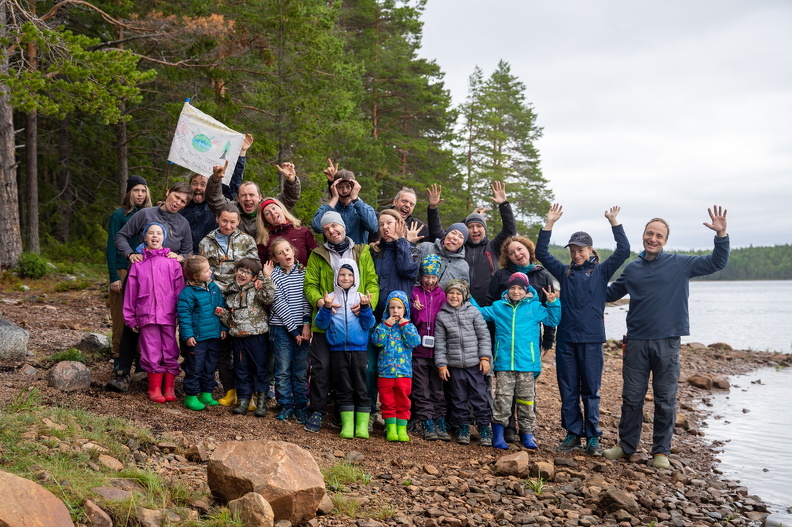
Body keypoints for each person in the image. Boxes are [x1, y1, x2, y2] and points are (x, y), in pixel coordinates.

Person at [603, 206, 729, 469]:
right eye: (650, 233)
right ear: (643, 235)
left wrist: (721, 236)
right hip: (636, 342)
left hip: (668, 342)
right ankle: (626, 447)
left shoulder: (680, 264)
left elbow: (717, 263)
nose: (653, 239)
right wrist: (579, 284)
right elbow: (610, 293)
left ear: (665, 240)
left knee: (665, 399)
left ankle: (661, 452)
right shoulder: (633, 268)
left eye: (659, 236)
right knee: (632, 397)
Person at [535, 204, 630, 456]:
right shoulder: (564, 273)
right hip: (566, 339)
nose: (577, 254)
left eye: (581, 250)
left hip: (591, 339)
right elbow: (541, 252)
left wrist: (614, 222)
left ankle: (592, 436)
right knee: (567, 388)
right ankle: (572, 434)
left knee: (590, 389)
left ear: (590, 250)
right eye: (574, 250)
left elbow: (624, 251)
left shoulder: (601, 271)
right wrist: (549, 223)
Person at [303, 211, 379, 433]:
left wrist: (366, 304)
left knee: (351, 371)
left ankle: (342, 412)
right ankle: (317, 411)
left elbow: (372, 281)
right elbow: (310, 285)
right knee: (321, 368)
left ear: (344, 228)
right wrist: (319, 302)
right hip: (326, 321)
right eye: (326, 229)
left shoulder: (361, 251)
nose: (332, 231)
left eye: (335, 226)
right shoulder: (317, 255)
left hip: (355, 321)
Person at [486, 235, 557, 444]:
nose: (517, 254)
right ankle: (507, 430)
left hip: (528, 350)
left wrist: (548, 340)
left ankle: (527, 433)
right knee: (504, 395)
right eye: (511, 252)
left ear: (528, 249)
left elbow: (548, 312)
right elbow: (491, 306)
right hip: (504, 345)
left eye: (520, 249)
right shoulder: (501, 276)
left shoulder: (543, 275)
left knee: (526, 394)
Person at [122, 223, 185, 404]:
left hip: (168, 314)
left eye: (159, 233)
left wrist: (180, 314)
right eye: (151, 233)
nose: (155, 236)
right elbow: (130, 293)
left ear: (164, 238)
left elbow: (180, 291)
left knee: (170, 349)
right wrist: (130, 317)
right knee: (151, 349)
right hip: (146, 314)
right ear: (145, 237)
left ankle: (169, 387)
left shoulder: (172, 263)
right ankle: (154, 387)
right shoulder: (138, 264)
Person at [367, 209, 420, 422]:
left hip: (401, 322)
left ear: (399, 224)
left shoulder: (411, 250)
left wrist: (401, 242)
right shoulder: (374, 251)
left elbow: (408, 269)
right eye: (381, 224)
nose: (385, 228)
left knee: (400, 374)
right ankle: (370, 412)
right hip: (377, 319)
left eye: (389, 223)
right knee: (370, 369)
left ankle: (399, 418)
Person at [314, 259, 376, 439]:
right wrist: (326, 308)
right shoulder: (331, 298)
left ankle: (362, 425)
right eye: (342, 274)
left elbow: (369, 324)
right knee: (343, 386)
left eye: (349, 274)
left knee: (360, 385)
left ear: (355, 276)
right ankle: (347, 424)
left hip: (359, 350)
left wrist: (365, 308)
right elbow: (321, 323)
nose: (346, 278)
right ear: (336, 276)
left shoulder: (360, 297)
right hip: (337, 350)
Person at [427, 182, 516, 305]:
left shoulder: (494, 246)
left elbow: (510, 231)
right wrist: (433, 208)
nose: (475, 230)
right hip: (459, 304)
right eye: (471, 227)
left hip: (488, 304)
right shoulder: (458, 247)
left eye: (479, 226)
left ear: (485, 229)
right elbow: (437, 232)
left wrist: (504, 204)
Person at [434, 279, 493, 446]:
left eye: (458, 293)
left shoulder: (473, 312)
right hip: (454, 366)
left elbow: (484, 336)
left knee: (480, 397)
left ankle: (483, 427)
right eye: (451, 293)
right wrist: (442, 365)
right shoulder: (442, 315)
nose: (454, 296)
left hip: (475, 364)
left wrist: (485, 358)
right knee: (458, 398)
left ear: (464, 296)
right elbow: (440, 343)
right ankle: (463, 427)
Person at [105, 175, 151, 392]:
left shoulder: (149, 215)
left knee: (141, 315)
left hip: (144, 271)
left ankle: (141, 358)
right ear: (129, 193)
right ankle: (118, 358)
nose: (140, 195)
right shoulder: (118, 215)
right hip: (123, 269)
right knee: (121, 317)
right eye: (136, 191)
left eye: (143, 191)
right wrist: (114, 276)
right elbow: (112, 246)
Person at [216, 258, 276, 417]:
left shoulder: (257, 289)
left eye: (247, 272)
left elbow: (269, 297)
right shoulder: (231, 292)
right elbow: (231, 319)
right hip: (237, 337)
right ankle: (243, 400)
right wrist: (223, 315)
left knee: (259, 368)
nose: (242, 274)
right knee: (241, 368)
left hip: (256, 336)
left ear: (254, 277)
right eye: (240, 270)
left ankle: (261, 402)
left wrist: (267, 278)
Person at [265, 238, 313, 422]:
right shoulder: (274, 276)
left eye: (287, 250)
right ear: (275, 259)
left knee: (300, 369)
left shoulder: (304, 273)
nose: (286, 254)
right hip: (281, 329)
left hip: (303, 328)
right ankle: (285, 404)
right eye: (280, 252)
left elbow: (306, 301)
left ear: (293, 251)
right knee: (282, 369)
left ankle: (301, 405)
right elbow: (278, 303)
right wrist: (293, 331)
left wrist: (306, 324)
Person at [181, 134, 253, 253]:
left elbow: (234, 184)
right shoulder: (181, 207)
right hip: (186, 258)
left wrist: (242, 153)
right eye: (194, 183)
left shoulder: (216, 207)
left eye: (203, 184)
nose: (198, 187)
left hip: (211, 257)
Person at [177, 255, 227, 411]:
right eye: (207, 270)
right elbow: (184, 317)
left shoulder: (213, 288)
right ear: (196, 276)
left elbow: (221, 308)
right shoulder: (188, 293)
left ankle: (206, 392)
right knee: (195, 366)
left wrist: (223, 328)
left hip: (213, 335)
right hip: (197, 339)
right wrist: (188, 335)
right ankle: (191, 396)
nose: (210, 271)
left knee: (210, 365)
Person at [410, 255, 450, 441]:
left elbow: (445, 320)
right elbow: (412, 321)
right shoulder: (414, 292)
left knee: (437, 388)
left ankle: (439, 419)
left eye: (434, 277)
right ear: (421, 275)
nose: (430, 280)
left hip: (437, 349)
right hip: (418, 349)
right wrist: (416, 311)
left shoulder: (442, 295)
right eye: (427, 276)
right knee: (421, 387)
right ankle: (426, 420)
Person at [371, 290, 421, 442]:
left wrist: (405, 326)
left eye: (399, 308)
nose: (395, 311)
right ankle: (391, 428)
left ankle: (402, 428)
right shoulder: (382, 325)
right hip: (385, 372)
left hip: (403, 373)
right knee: (387, 401)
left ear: (405, 309)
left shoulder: (409, 326)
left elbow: (414, 342)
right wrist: (386, 325)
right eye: (392, 307)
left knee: (403, 401)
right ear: (387, 309)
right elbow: (377, 341)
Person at [206, 160, 301, 238]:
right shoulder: (231, 210)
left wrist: (291, 180)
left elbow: (289, 197)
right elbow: (214, 199)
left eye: (251, 195)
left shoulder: (270, 207)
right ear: (238, 198)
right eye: (243, 195)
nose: (248, 199)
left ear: (259, 197)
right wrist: (215, 179)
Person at [115, 182, 193, 263]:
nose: (178, 202)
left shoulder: (183, 224)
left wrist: (181, 257)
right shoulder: (145, 214)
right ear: (168, 192)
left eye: (183, 201)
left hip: (169, 272)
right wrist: (130, 254)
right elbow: (121, 236)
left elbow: (188, 253)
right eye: (176, 197)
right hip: (142, 269)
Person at [311, 159, 378, 245]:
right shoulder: (328, 209)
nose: (345, 191)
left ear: (354, 187)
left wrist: (355, 199)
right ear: (335, 188)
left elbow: (373, 227)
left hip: (357, 255)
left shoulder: (363, 208)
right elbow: (317, 227)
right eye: (340, 187)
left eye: (348, 187)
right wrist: (334, 198)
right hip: (334, 255)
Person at [256, 195, 317, 266]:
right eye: (267, 213)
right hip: (277, 276)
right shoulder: (264, 242)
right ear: (265, 220)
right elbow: (262, 268)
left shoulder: (303, 232)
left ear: (281, 209)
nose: (272, 213)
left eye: (274, 208)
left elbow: (316, 259)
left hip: (306, 275)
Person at [416, 223, 470, 290]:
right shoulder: (425, 248)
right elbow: (408, 270)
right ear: (446, 234)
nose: (455, 238)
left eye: (461, 237)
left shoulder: (463, 266)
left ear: (463, 243)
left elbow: (464, 293)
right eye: (453, 233)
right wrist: (410, 243)